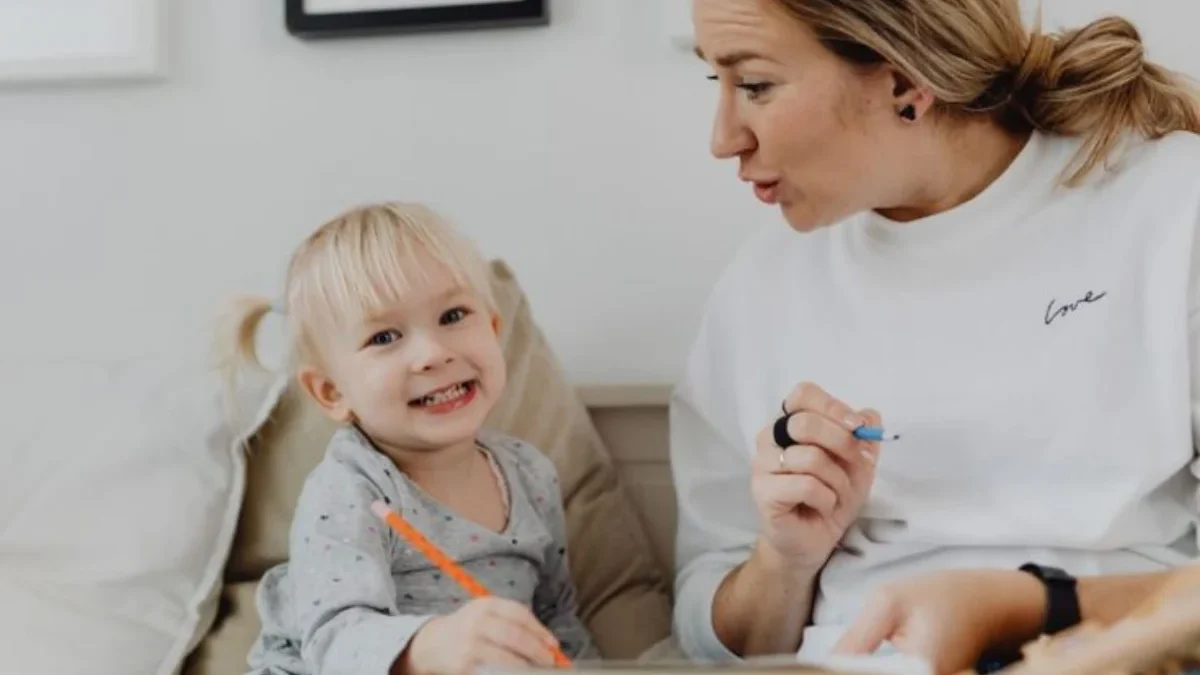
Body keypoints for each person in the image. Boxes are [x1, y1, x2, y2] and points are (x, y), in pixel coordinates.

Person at [670, 0, 1200, 672]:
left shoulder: (1173, 208)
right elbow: (708, 635)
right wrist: (784, 558)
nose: (723, 138)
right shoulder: (759, 289)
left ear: (903, 82)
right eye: (713, 83)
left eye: (754, 86)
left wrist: (1024, 604)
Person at [219, 202, 596, 675]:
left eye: (454, 314)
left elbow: (556, 621)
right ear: (333, 392)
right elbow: (335, 639)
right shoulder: (350, 491)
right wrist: (429, 647)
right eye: (384, 337)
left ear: (494, 331)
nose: (433, 353)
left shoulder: (531, 475)